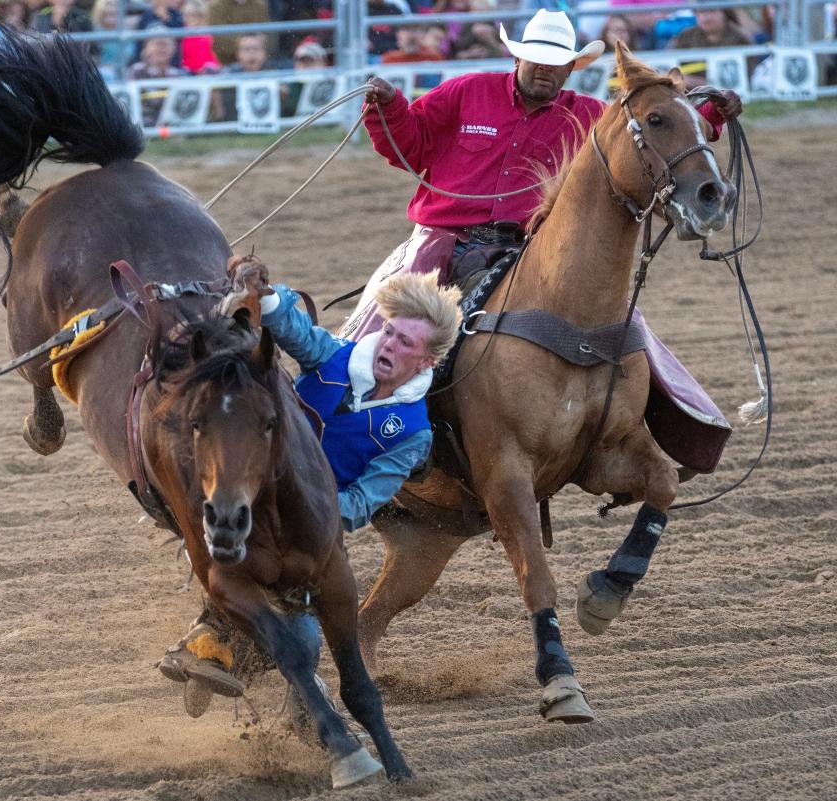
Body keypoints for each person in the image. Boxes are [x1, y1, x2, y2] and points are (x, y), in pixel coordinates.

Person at [158, 269, 463, 714]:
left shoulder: (413, 434)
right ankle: (215, 639)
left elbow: (363, 502)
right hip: (250, 497)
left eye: (406, 344)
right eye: (390, 332)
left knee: (304, 638)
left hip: (309, 537)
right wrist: (264, 296)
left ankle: (249, 664)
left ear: (425, 362)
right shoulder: (334, 357)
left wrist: (314, 512)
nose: (389, 345)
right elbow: (296, 331)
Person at [347, 8, 742, 339]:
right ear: (517, 58)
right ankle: (348, 386)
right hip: (445, 239)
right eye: (537, 59)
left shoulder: (592, 117)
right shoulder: (466, 91)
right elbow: (410, 147)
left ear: (570, 68)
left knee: (623, 332)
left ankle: (675, 411)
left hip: (535, 246)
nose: (545, 69)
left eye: (556, 64)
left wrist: (710, 115)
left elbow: (659, 135)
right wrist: (390, 109)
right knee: (385, 329)